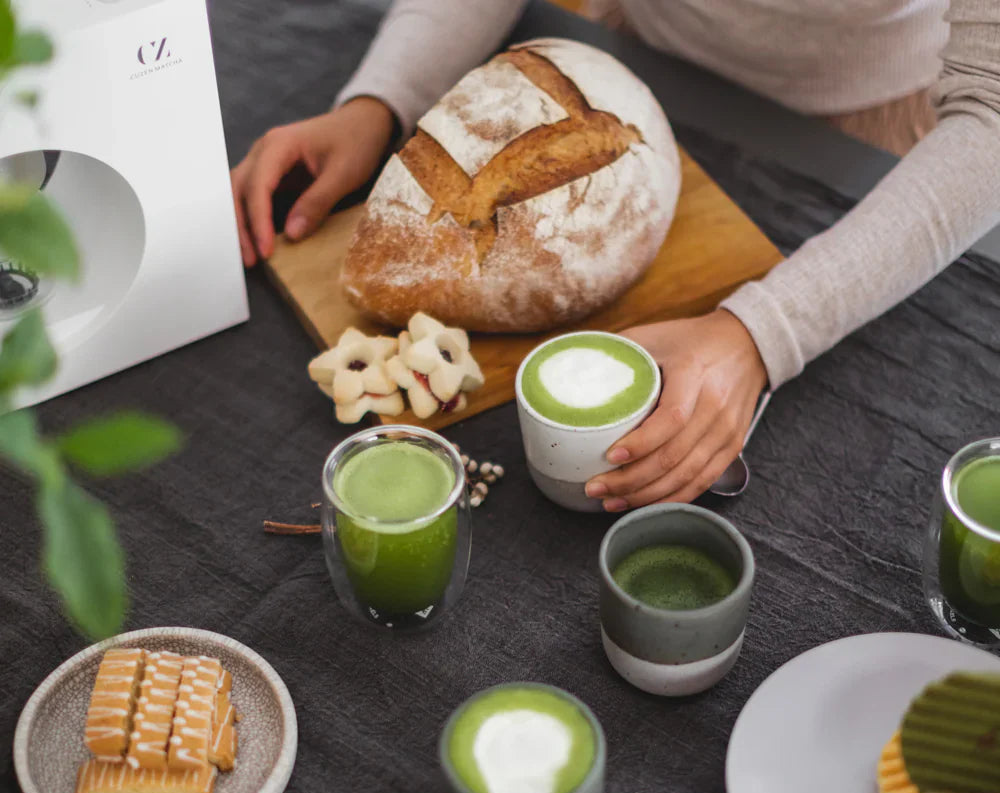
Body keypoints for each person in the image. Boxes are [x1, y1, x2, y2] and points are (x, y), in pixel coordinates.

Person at [231, 0, 999, 508]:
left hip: (865, 127)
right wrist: (383, 98)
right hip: (634, 46)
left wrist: (765, 331)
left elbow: (992, 114)